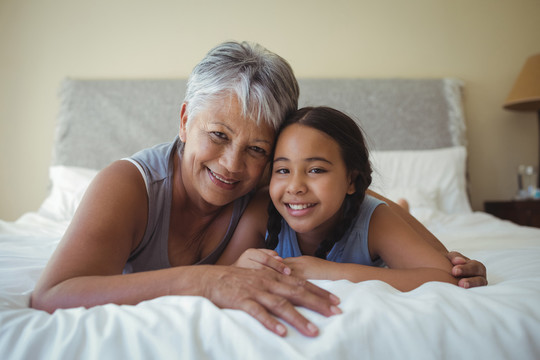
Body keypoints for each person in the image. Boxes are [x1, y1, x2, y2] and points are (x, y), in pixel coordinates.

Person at [31, 41, 485, 338]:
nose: (232, 166)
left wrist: (445, 259)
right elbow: (52, 295)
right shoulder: (130, 185)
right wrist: (204, 280)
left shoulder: (268, 179)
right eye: (219, 135)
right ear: (186, 119)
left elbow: (353, 197)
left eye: (257, 148)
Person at [218, 107, 472, 290]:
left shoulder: (374, 220)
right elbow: (218, 274)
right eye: (283, 170)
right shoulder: (261, 211)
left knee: (391, 210)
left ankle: (403, 206)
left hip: (373, 212)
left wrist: (330, 272)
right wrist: (239, 265)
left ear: (351, 180)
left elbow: (445, 277)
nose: (294, 187)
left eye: (316, 170)